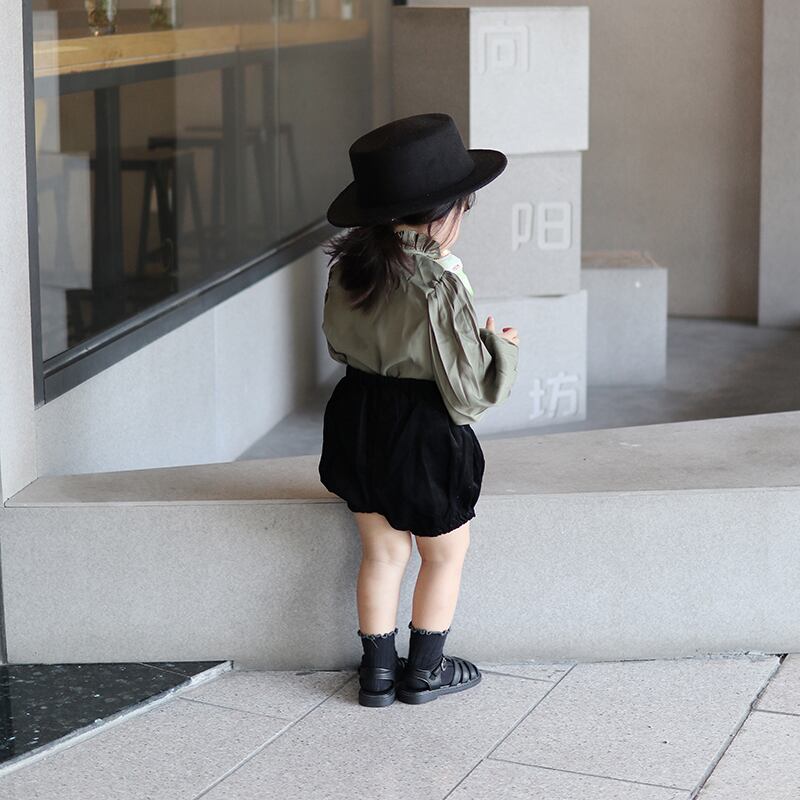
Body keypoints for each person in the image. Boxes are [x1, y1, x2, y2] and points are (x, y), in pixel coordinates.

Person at [318, 113, 520, 707]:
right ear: (444, 214)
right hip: (424, 427)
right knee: (444, 553)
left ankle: (377, 675)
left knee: (383, 552)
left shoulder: (348, 266)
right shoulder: (438, 278)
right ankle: (426, 671)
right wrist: (501, 348)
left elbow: (338, 346)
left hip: (357, 414)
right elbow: (470, 391)